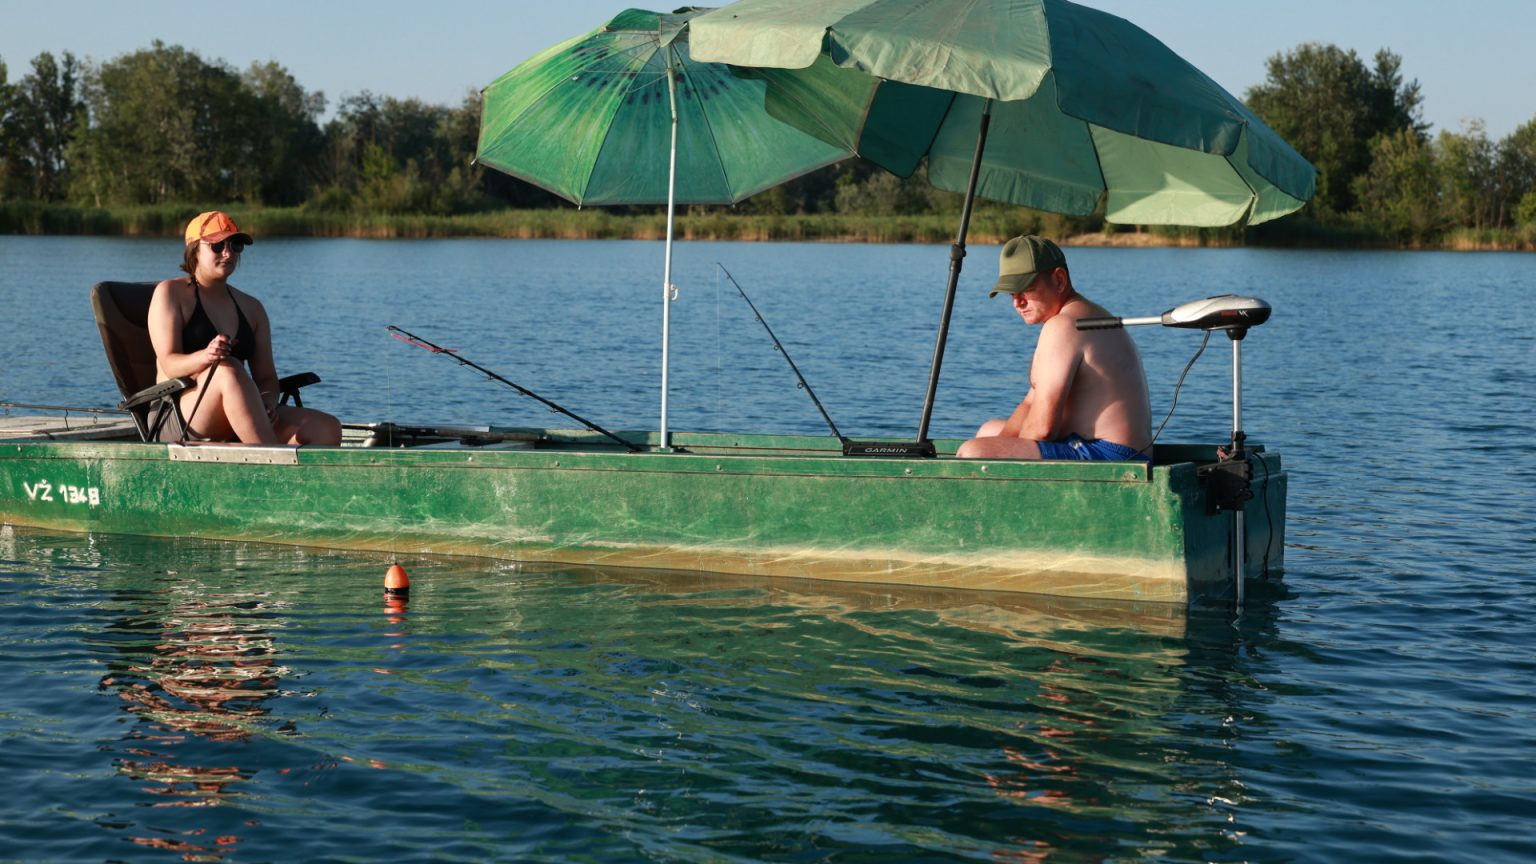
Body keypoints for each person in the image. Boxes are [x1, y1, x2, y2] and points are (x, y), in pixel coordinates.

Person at [147, 211, 342, 445]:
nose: (228, 253)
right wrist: (206, 356)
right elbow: (169, 365)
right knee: (227, 369)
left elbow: (267, 378)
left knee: (327, 428)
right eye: (217, 246)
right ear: (194, 250)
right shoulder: (170, 293)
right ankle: (271, 459)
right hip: (177, 416)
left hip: (239, 411)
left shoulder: (252, 308)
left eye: (235, 245)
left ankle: (269, 452)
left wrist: (267, 402)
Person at [956, 235, 1152, 461]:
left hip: (1109, 455)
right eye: (1011, 292)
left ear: (1059, 280)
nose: (1017, 302)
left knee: (973, 452)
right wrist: (1001, 443)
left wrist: (1001, 454)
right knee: (988, 431)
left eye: (1026, 289)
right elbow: (1030, 403)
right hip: (1108, 449)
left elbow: (1042, 428)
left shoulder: (1064, 326)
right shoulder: (1081, 315)